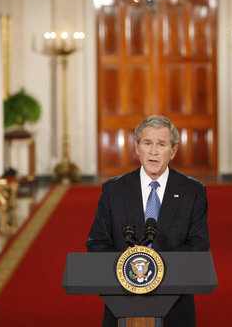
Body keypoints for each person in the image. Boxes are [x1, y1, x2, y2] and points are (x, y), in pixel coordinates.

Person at [86, 115, 210, 327]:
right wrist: (126, 265)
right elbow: (96, 243)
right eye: (147, 143)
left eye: (161, 144)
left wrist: (155, 265)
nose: (153, 151)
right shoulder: (113, 190)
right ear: (137, 147)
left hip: (175, 303)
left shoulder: (192, 191)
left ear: (173, 151)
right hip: (121, 301)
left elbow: (199, 244)